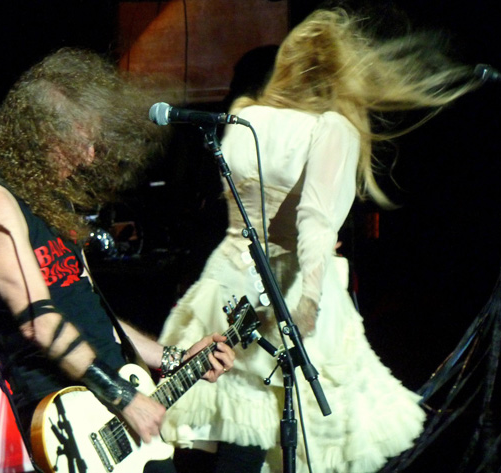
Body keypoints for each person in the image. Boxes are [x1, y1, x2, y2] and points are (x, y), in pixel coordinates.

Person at [157, 8, 480, 473]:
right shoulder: (330, 128)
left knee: (233, 431)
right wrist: (308, 299)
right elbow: (313, 222)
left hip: (224, 285)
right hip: (285, 287)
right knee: (298, 439)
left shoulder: (245, 117)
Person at [0, 48, 235, 473]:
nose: (88, 156)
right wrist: (125, 399)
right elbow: (40, 323)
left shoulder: (48, 199)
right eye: (79, 140)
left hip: (114, 398)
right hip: (70, 421)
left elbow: (93, 312)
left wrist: (172, 359)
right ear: (41, 134)